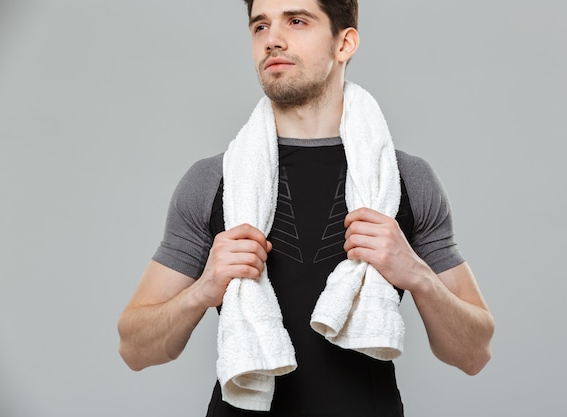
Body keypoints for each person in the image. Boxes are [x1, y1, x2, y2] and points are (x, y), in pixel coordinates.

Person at [117, 0, 495, 416]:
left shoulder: (405, 180)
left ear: (344, 43)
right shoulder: (213, 181)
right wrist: (201, 292)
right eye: (260, 26)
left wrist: (417, 274)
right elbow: (135, 349)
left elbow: (474, 353)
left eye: (296, 21)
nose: (272, 40)